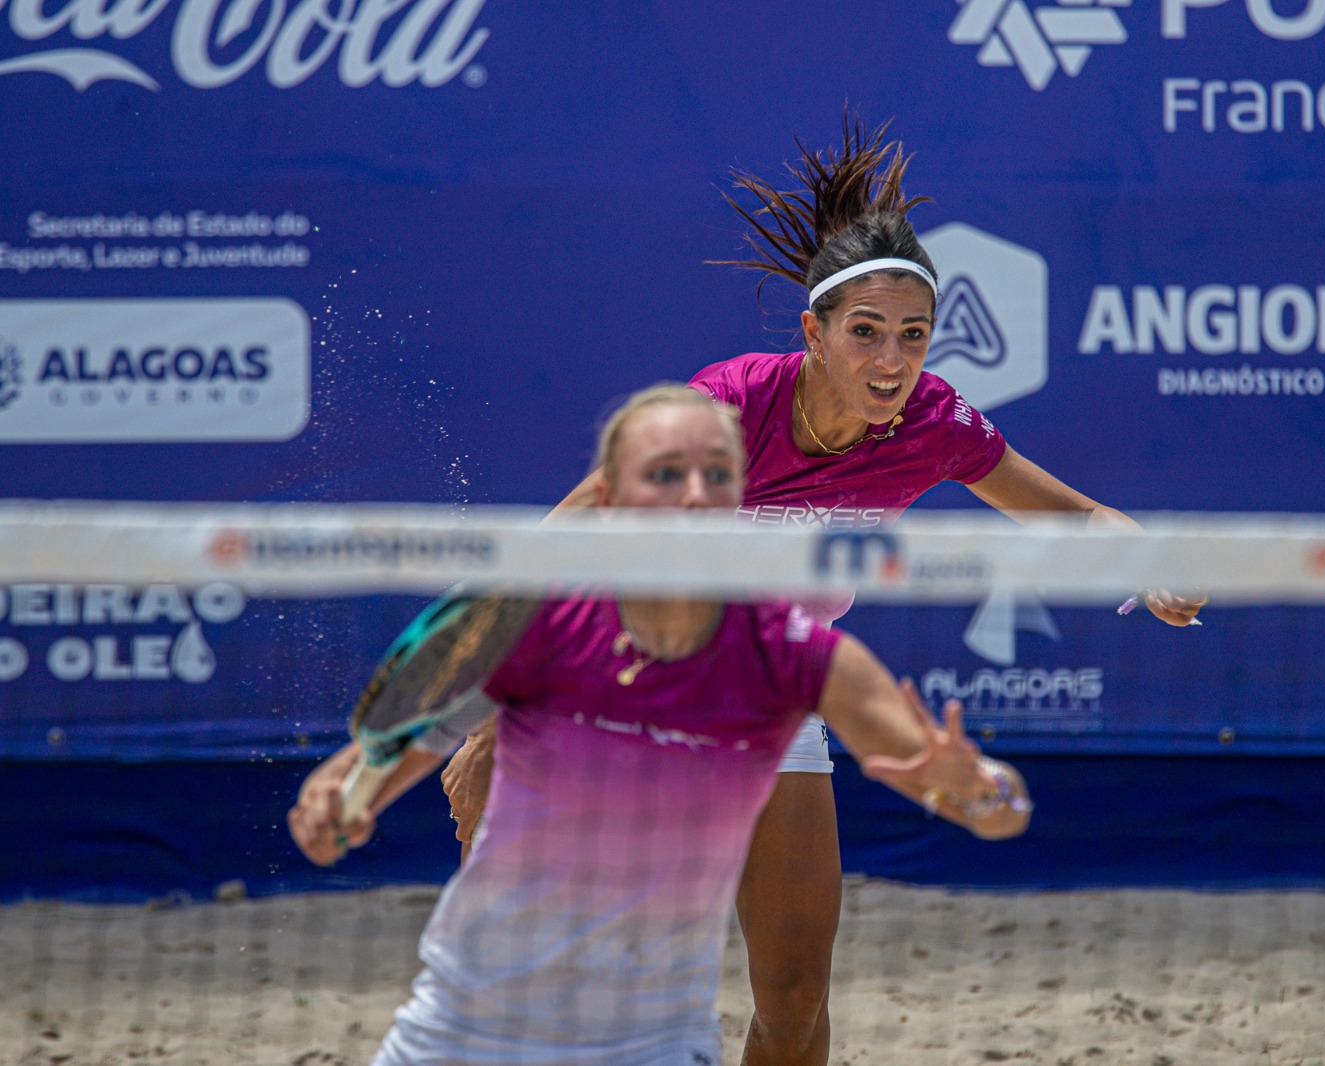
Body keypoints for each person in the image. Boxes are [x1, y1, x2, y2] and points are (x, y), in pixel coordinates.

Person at [442, 118, 1205, 1066]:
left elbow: (1078, 514)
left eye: (914, 336)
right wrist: (488, 725)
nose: (893, 360)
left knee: (796, 997)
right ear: (815, 332)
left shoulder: (931, 422)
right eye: (867, 334)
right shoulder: (728, 404)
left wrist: (1146, 560)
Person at [287, 386, 1031, 1066]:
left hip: (654, 1046)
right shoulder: (539, 627)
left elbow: (992, 810)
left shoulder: (796, 657)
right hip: (461, 1033)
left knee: (796, 994)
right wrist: (336, 798)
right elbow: (381, 753)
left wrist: (988, 791)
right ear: (609, 501)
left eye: (718, 474)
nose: (697, 497)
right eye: (666, 475)